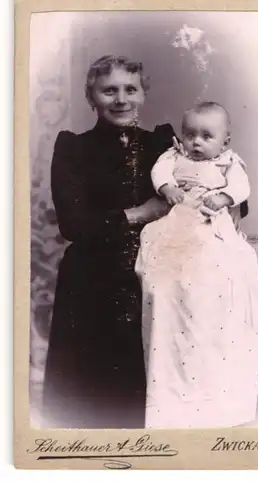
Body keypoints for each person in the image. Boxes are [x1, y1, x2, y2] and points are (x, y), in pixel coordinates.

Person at [41, 55, 178, 429]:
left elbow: (208, 176)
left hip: (151, 275)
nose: (121, 99)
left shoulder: (163, 144)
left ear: (143, 94)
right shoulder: (73, 148)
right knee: (91, 401)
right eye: (109, 90)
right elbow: (73, 224)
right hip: (92, 283)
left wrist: (233, 205)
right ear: (92, 97)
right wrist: (141, 212)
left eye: (130, 89)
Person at [135, 102, 258, 429]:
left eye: (207, 136)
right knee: (163, 257)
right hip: (178, 220)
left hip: (211, 221)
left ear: (225, 140)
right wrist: (168, 188)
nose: (196, 142)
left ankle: (216, 395)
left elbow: (240, 187)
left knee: (219, 262)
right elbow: (159, 174)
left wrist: (224, 198)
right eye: (190, 134)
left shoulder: (229, 163)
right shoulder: (173, 157)